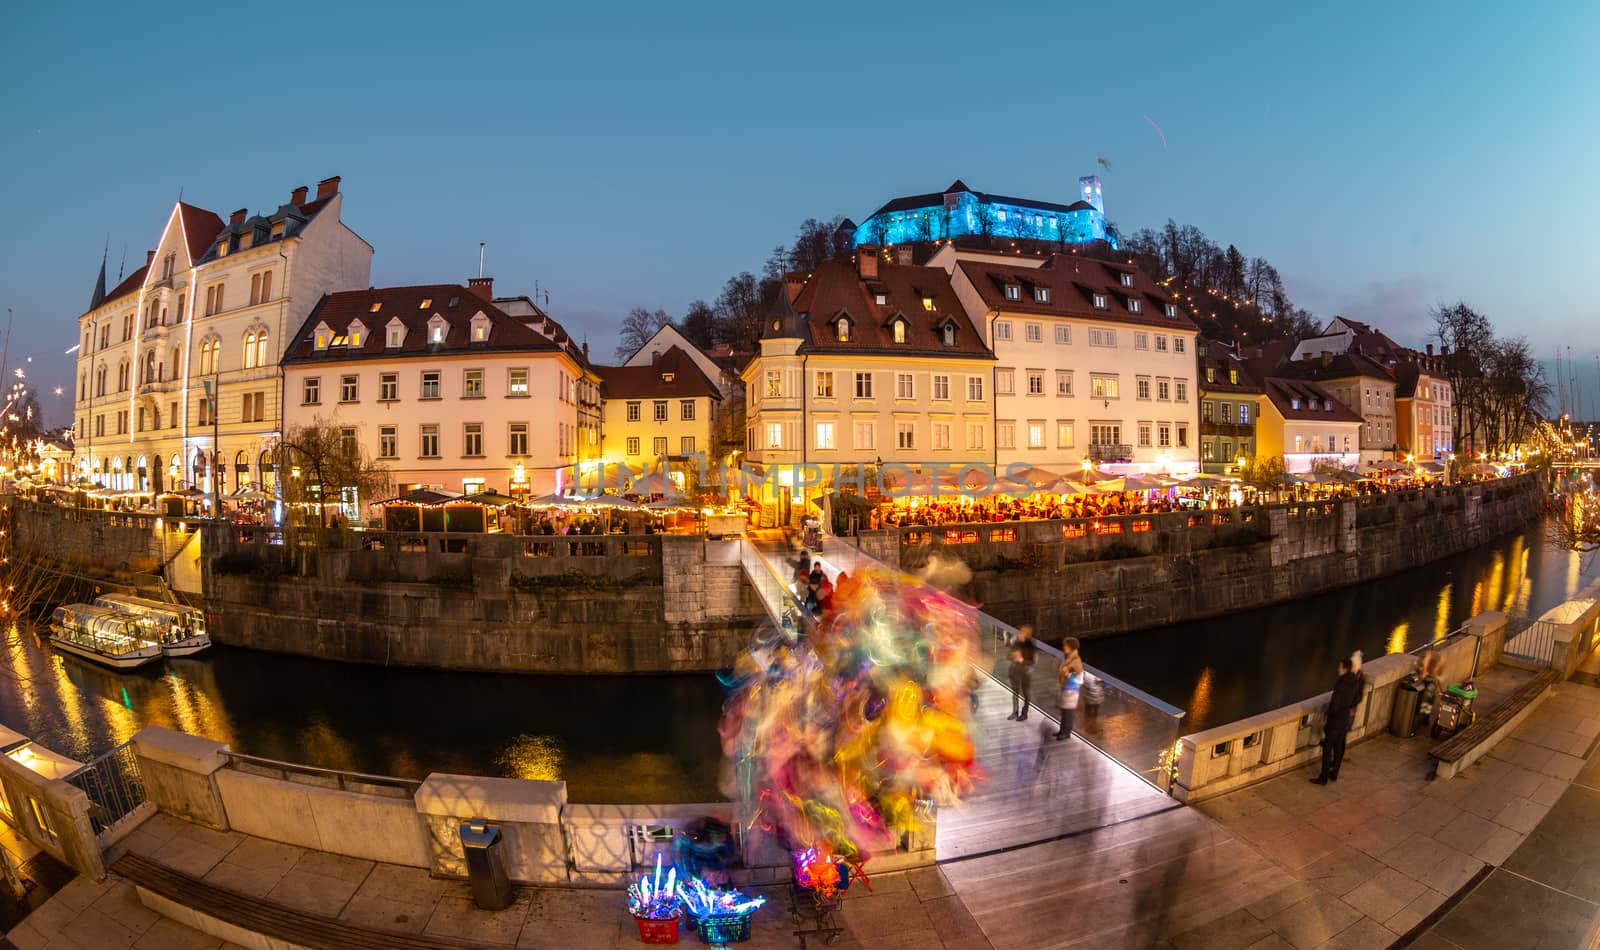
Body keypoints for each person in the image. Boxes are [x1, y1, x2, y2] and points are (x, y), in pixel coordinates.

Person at [1311, 656, 1363, 784]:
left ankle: (1323, 777)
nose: (1337, 669)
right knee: (1339, 747)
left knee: (1328, 748)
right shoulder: (1355, 682)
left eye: (1340, 667)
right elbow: (1356, 700)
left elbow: (1335, 703)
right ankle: (1334, 773)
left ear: (1345, 669)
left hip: (1335, 720)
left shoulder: (1341, 684)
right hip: (1344, 718)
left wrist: (1327, 715)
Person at [1006, 626, 1037, 721]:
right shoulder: (1016, 643)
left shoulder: (1031, 646)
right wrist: (1013, 656)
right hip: (1014, 671)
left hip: (1025, 673)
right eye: (1020, 632)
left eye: (1023, 633)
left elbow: (1032, 662)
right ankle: (1015, 712)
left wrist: (1021, 660)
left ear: (1028, 635)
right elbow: (1008, 655)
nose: (1020, 634)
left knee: (1026, 693)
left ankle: (1024, 713)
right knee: (1015, 692)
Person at [1055, 638, 1084, 741]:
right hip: (1066, 688)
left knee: (1068, 713)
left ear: (1071, 647)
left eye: (1065, 646)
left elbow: (1080, 677)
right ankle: (1062, 730)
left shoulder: (1075, 660)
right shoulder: (1069, 658)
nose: (1063, 648)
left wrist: (1068, 675)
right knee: (1065, 711)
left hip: (1072, 690)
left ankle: (1066, 732)